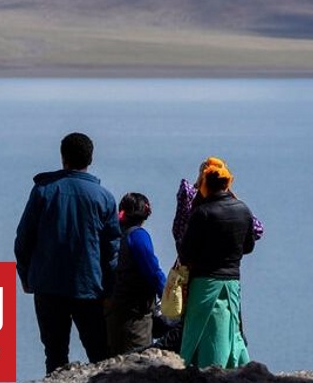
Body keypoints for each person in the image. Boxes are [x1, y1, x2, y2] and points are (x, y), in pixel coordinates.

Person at [14, 132, 120, 375]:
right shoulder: (104, 197)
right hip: (89, 286)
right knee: (99, 352)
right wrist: (110, 289)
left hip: (48, 285)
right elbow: (112, 249)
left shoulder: (43, 191)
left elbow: (23, 239)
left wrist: (26, 276)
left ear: (63, 158)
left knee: (55, 354)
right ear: (90, 159)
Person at [178, 157, 257, 368]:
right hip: (232, 282)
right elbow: (248, 246)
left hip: (204, 283)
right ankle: (243, 371)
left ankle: (209, 372)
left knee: (204, 333)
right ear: (228, 183)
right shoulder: (243, 209)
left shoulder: (202, 213)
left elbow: (186, 253)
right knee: (232, 329)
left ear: (205, 184)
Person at [107, 192, 167, 356]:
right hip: (136, 315)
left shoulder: (115, 235)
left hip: (116, 309)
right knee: (138, 360)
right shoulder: (138, 236)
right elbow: (152, 271)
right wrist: (168, 295)